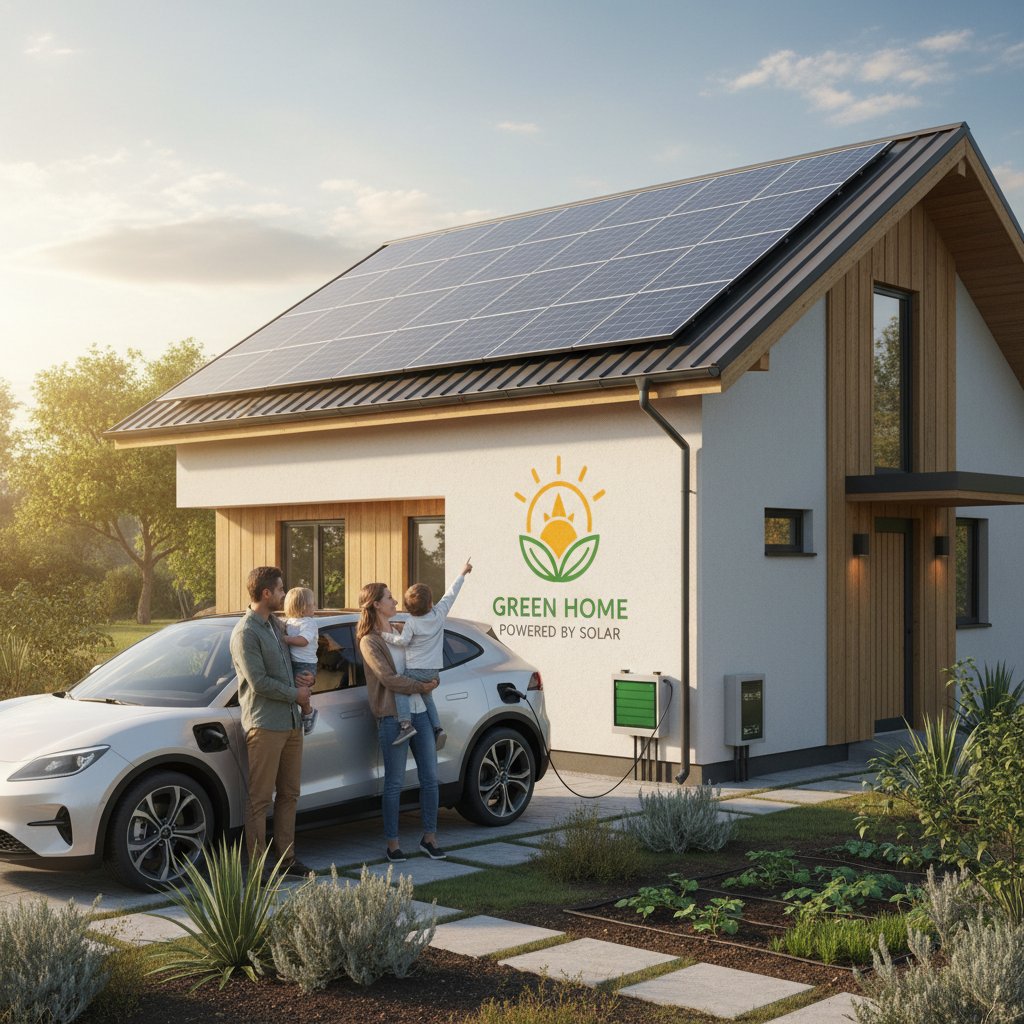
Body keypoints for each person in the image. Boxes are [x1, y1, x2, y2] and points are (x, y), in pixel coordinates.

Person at [229, 565, 314, 876]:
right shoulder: (245, 633)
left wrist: (301, 679)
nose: (283, 594)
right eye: (280, 589)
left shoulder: (276, 626)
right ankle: (257, 867)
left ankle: (286, 859)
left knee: (290, 793)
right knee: (260, 799)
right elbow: (259, 682)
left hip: (291, 722)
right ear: (266, 593)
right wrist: (296, 694)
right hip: (265, 725)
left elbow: (284, 669)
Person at [357, 581, 445, 862]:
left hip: (420, 712)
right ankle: (393, 844)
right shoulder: (369, 641)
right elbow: (389, 679)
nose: (396, 603)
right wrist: (421, 686)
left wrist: (432, 678)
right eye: (390, 598)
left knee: (431, 779)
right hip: (393, 717)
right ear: (376, 605)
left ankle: (429, 838)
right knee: (394, 783)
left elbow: (425, 660)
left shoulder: (400, 630)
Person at [382, 560, 473, 749]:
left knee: (399, 688)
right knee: (427, 698)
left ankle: (406, 725)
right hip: (433, 672)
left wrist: (385, 635)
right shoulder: (439, 614)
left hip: (415, 670)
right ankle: (438, 728)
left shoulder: (411, 623)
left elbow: (403, 641)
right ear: (431, 603)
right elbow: (451, 594)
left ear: (408, 608)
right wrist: (462, 573)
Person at [281, 586, 319, 735]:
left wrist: (286, 639)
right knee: (293, 690)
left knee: (300, 691)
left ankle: (308, 711)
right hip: (293, 662)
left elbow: (303, 641)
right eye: (312, 604)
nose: (315, 607)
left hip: (306, 664)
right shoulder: (289, 622)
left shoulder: (309, 623)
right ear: (302, 607)